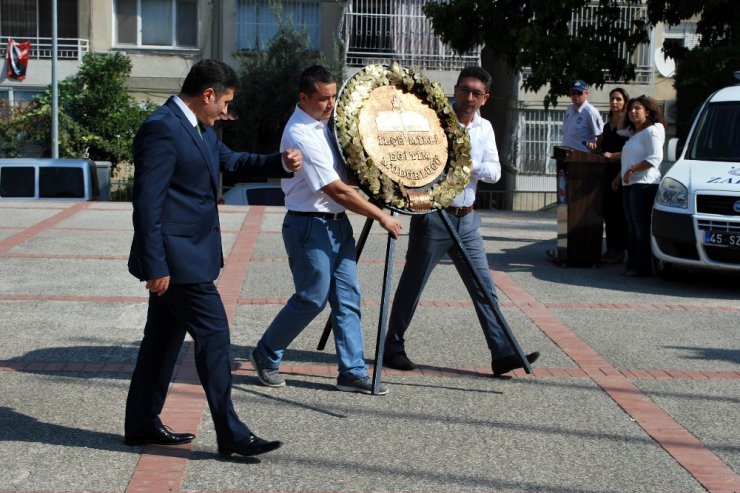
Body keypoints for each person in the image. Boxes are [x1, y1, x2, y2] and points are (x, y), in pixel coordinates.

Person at [125, 59, 302, 458]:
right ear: (207, 94)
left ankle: (140, 423)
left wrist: (278, 162)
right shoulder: (162, 128)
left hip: (190, 258)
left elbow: (231, 160)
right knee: (215, 336)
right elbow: (147, 205)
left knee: (161, 343)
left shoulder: (198, 129)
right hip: (176, 263)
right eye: (224, 102)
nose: (226, 111)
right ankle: (231, 431)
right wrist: (156, 266)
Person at [250, 65, 402, 395]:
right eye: (323, 99)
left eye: (333, 97)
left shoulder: (323, 126)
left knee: (348, 299)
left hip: (336, 225)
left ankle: (352, 371)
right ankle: (265, 355)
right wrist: (381, 216)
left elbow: (348, 176)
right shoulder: (301, 133)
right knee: (311, 299)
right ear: (303, 98)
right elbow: (335, 189)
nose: (331, 105)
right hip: (309, 226)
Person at [382, 66, 539, 377]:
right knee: (412, 287)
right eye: (464, 90)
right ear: (454, 89)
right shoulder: (434, 122)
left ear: (485, 98)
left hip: (467, 220)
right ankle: (393, 347)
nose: (469, 97)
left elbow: (495, 171)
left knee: (486, 288)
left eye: (476, 93)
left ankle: (501, 353)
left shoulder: (485, 128)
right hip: (433, 217)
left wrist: (468, 166)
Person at [617, 95, 665, 277]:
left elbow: (655, 158)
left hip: (644, 184)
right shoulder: (633, 134)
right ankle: (632, 264)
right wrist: (620, 176)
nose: (633, 112)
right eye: (630, 109)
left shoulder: (651, 131)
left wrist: (633, 169)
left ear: (647, 111)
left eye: (637, 108)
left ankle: (642, 267)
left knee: (640, 226)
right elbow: (619, 129)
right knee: (631, 226)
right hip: (629, 184)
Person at [587, 87, 630, 264]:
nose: (615, 102)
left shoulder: (628, 126)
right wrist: (595, 148)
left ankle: (620, 250)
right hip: (606, 173)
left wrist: (617, 168)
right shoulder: (607, 125)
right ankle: (611, 249)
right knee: (608, 213)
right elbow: (602, 149)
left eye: (618, 99)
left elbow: (629, 152)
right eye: (612, 99)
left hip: (621, 173)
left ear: (625, 102)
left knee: (619, 214)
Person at [561, 80, 604, 153]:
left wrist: (594, 148)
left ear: (586, 93)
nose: (575, 95)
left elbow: (600, 135)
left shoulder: (591, 112)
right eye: (573, 93)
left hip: (581, 157)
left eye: (579, 93)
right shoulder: (569, 108)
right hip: (565, 155)